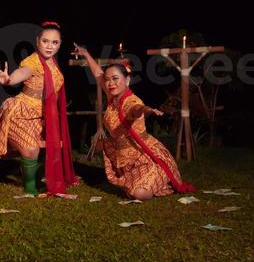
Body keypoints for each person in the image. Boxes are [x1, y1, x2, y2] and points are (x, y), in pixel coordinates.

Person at [72, 45, 195, 199]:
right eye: (108, 80)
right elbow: (98, 74)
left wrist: (148, 110)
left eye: (115, 79)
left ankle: (162, 179)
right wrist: (85, 53)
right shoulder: (112, 96)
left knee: (139, 194)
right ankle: (136, 181)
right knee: (131, 190)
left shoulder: (131, 101)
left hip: (147, 159)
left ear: (127, 80)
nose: (111, 83)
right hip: (125, 161)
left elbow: (136, 109)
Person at [0, 21, 78, 196]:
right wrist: (9, 80)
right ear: (38, 41)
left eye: (54, 42)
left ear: (59, 44)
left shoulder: (54, 64)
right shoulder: (32, 61)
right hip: (22, 111)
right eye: (45, 41)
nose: (49, 46)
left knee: (38, 149)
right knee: (31, 149)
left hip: (43, 114)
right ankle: (30, 187)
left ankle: (32, 172)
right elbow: (23, 72)